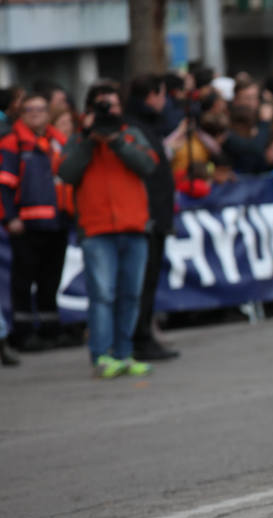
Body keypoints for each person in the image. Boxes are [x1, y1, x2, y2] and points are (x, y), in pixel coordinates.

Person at [57, 84, 159, 378]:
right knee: (102, 295)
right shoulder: (78, 139)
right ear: (89, 109)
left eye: (113, 106)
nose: (109, 111)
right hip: (97, 229)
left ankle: (125, 354)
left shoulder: (130, 135)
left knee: (131, 294)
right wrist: (90, 139)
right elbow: (66, 173)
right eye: (103, 106)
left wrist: (116, 142)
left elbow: (148, 165)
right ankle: (102, 356)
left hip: (134, 227)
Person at [0, 91, 70, 350]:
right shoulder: (12, 142)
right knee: (23, 281)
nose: (37, 114)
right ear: (22, 114)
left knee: (51, 279)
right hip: (26, 225)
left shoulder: (58, 141)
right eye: (30, 110)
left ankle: (51, 330)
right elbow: (4, 185)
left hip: (57, 222)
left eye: (41, 109)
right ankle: (24, 334)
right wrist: (10, 217)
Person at [125, 73, 180, 361]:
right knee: (142, 283)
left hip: (153, 215)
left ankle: (143, 334)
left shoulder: (146, 125)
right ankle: (139, 338)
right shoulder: (137, 127)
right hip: (146, 217)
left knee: (146, 282)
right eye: (162, 95)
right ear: (152, 95)